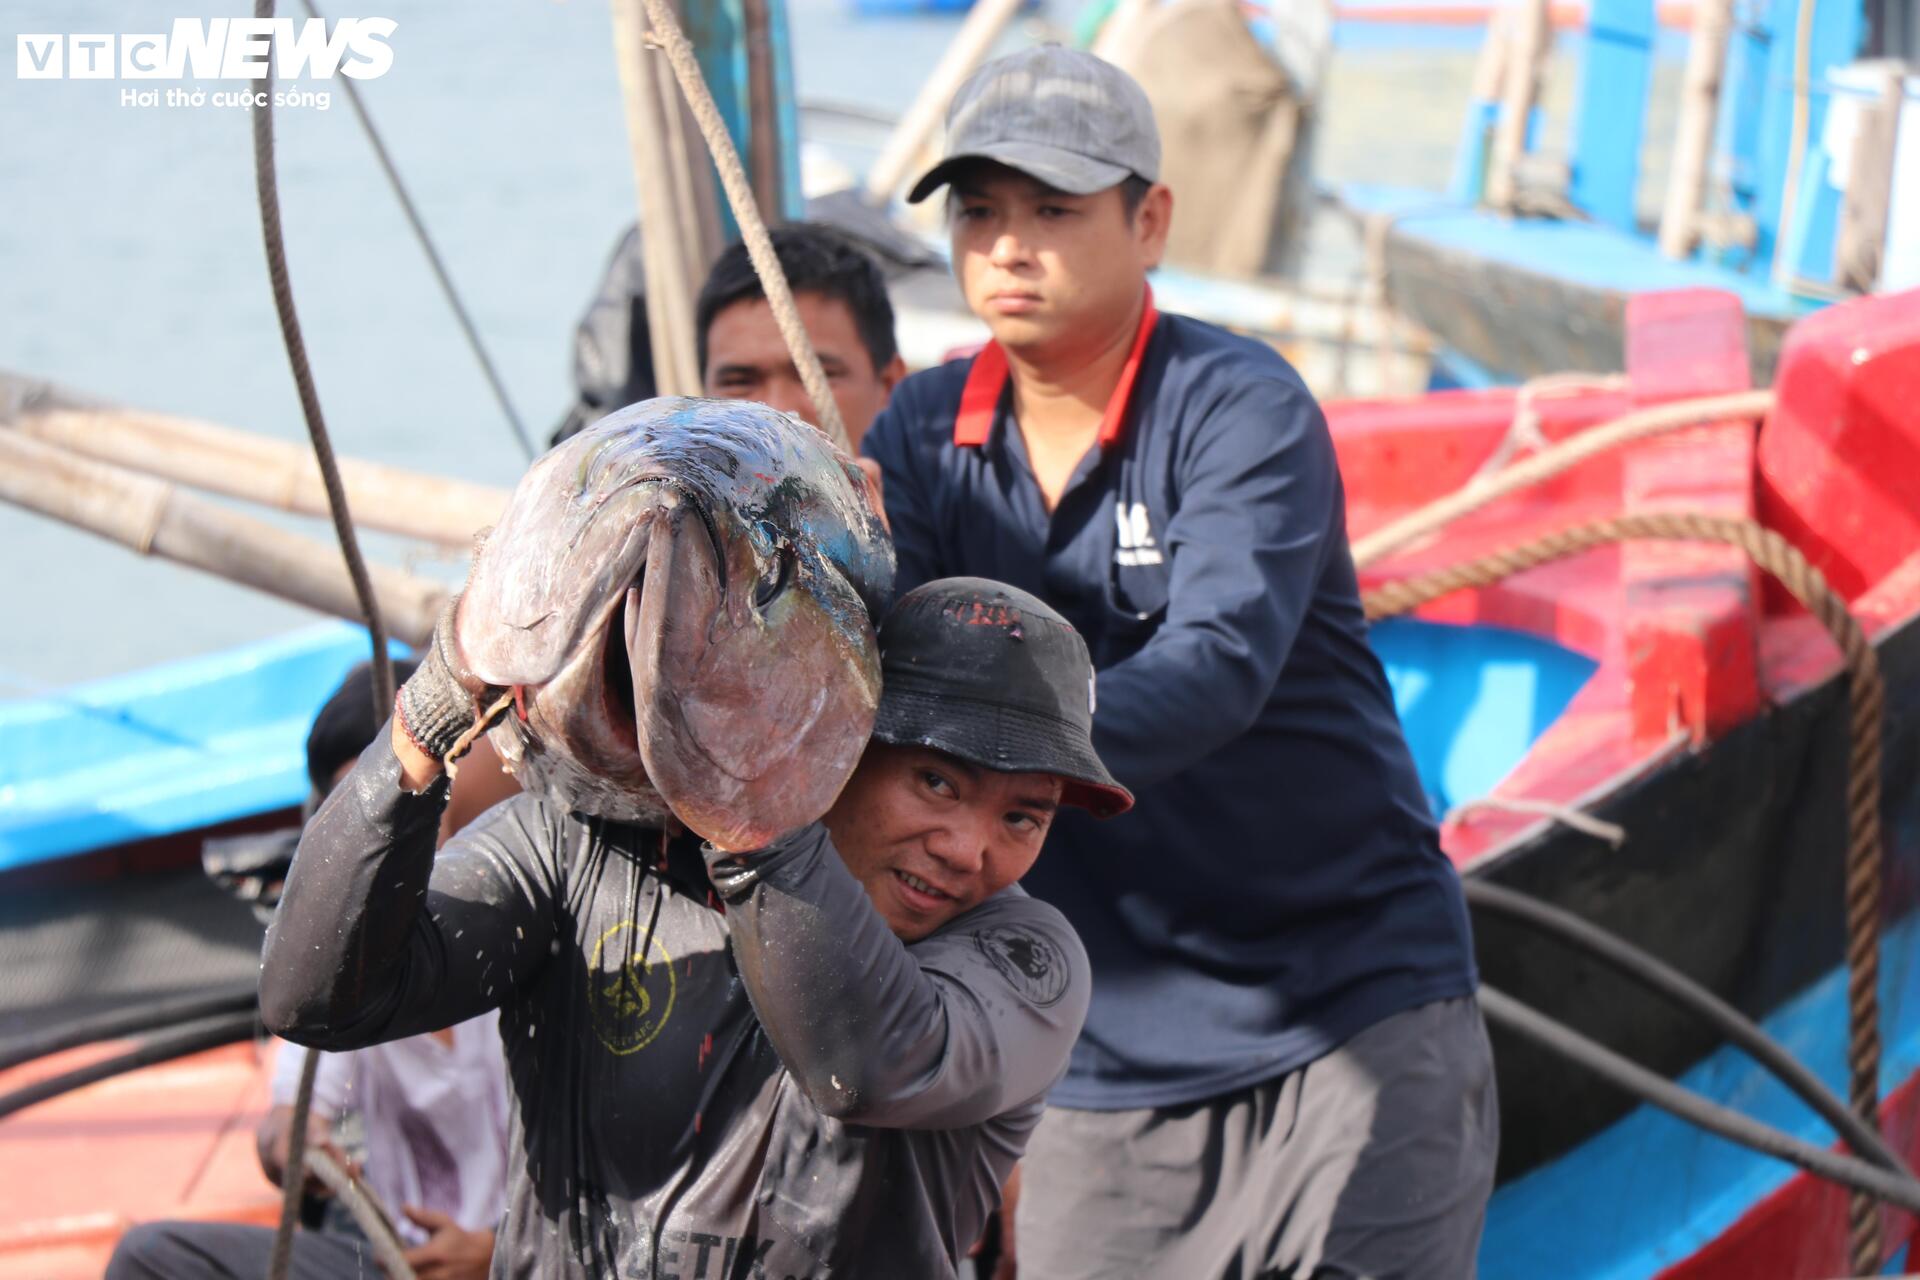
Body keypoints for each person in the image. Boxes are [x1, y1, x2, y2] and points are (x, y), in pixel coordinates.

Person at [860, 45, 1497, 1279]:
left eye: (1052, 207)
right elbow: (879, 691)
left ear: (1150, 219)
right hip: (1105, 1049)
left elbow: (1215, 665)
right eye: (979, 209)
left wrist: (992, 759)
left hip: (1357, 997)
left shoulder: (1238, 404)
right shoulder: (921, 434)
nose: (1007, 243)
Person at [257, 576, 1130, 1278]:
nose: (967, 849)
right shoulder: (571, 852)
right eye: (936, 783)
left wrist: (749, 785)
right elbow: (319, 997)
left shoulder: (1026, 960)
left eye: (1025, 817)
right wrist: (435, 707)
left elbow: (863, 1066)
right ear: (844, 743)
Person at [107, 662, 513, 1280]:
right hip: (393, 1263)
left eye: (410, 806)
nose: (396, 838)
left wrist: (498, 1255)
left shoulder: (526, 893)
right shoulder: (348, 949)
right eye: (372, 821)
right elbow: (290, 1115)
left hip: (536, 1261)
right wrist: (293, 1143)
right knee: (152, 1259)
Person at [554, 222, 905, 448]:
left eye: (819, 377)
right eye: (739, 381)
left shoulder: (943, 531)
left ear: (889, 384)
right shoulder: (660, 535)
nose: (779, 411)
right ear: (702, 388)